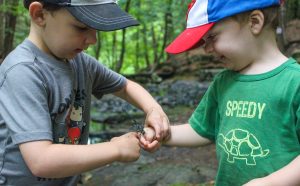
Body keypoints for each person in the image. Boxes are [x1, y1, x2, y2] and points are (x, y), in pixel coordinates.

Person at [0, 0, 169, 185]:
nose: (93, 39)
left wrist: (153, 109)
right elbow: (41, 160)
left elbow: (126, 87)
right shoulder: (22, 71)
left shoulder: (82, 63)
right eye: (81, 27)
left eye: (96, 28)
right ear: (40, 15)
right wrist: (116, 149)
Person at [141, 0, 300, 185]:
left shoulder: (294, 82)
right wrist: (161, 134)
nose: (206, 49)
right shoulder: (223, 82)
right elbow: (201, 129)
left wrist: (270, 182)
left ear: (255, 22)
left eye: (212, 37)